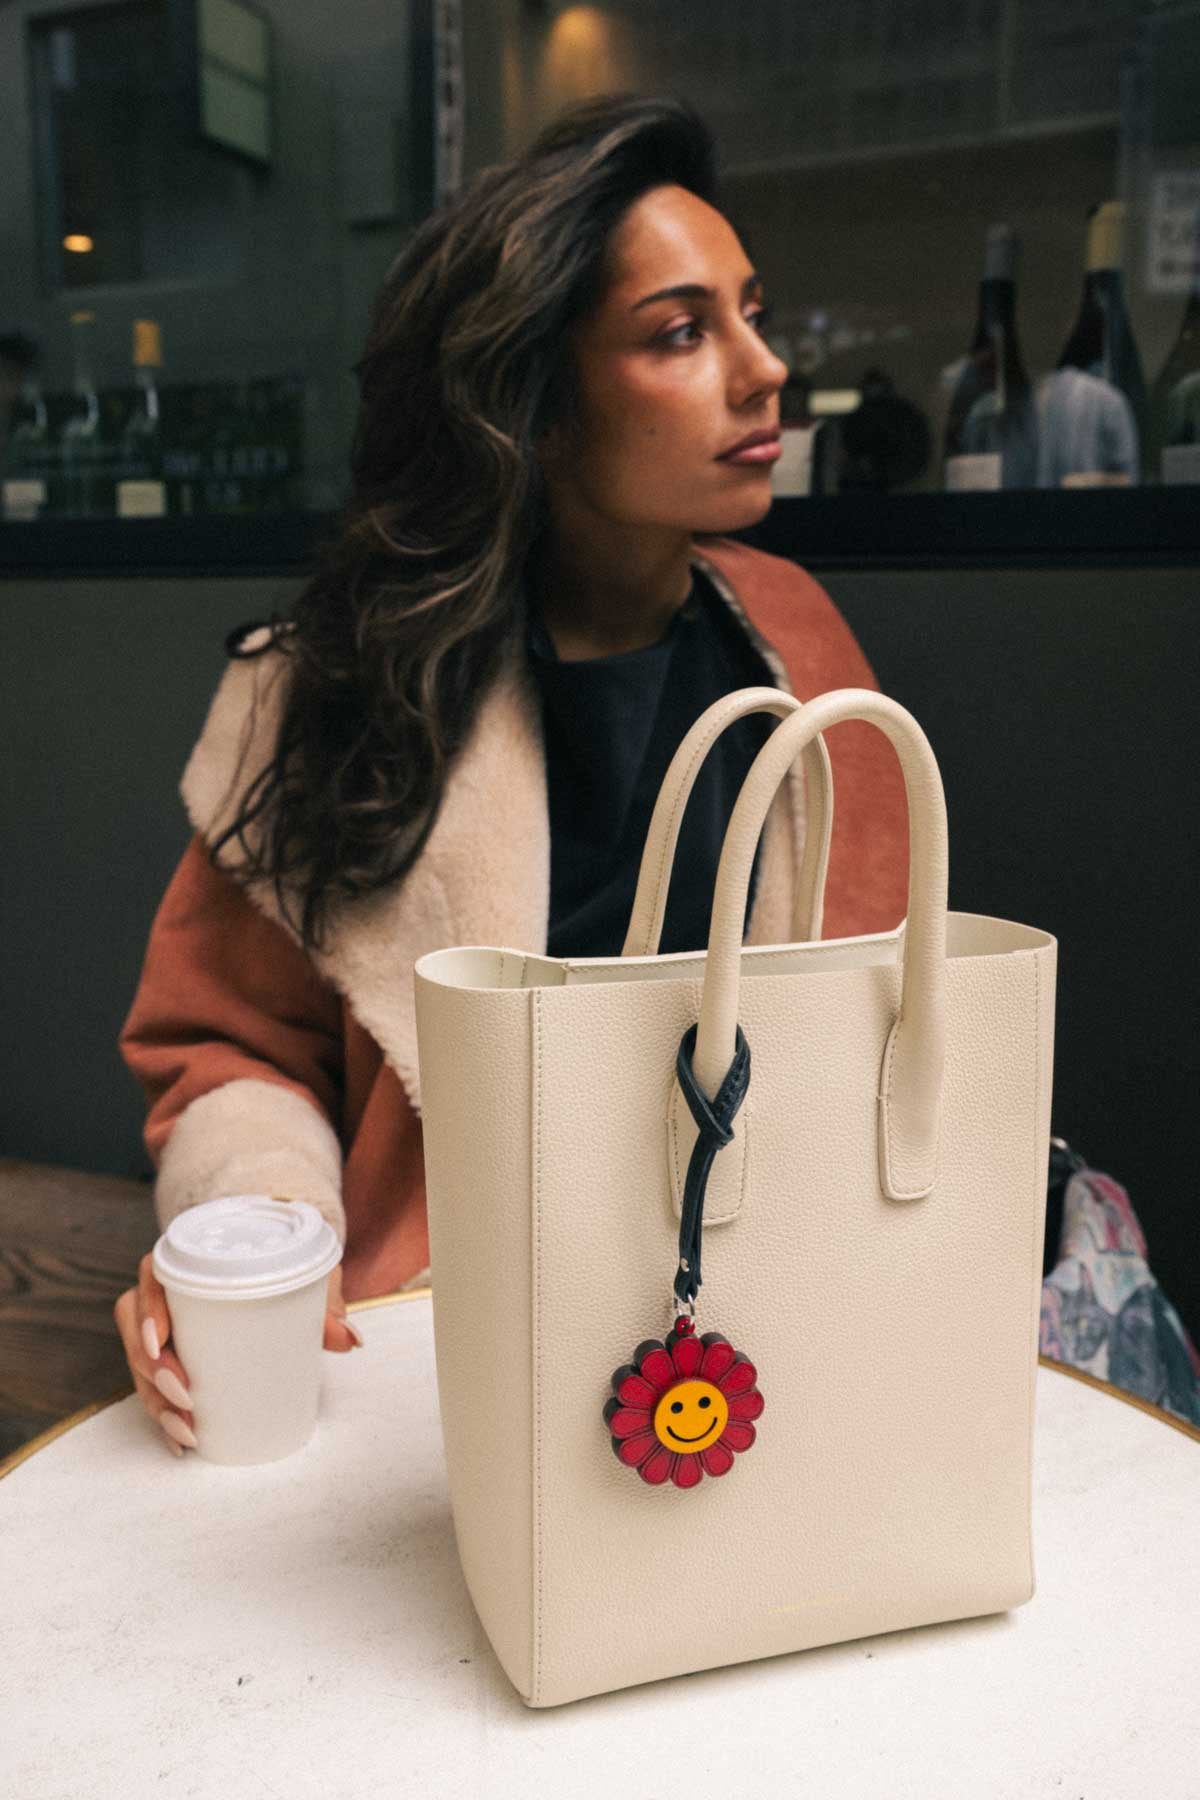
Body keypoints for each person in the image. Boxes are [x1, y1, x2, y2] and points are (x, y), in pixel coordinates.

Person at [113, 93, 910, 1457]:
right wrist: (253, 1245)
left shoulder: (804, 648)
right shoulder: (332, 685)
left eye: (752, 312)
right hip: (436, 1359)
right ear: (534, 404)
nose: (763, 367)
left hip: (766, 1340)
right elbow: (228, 1049)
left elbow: (886, 1021)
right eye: (681, 332)